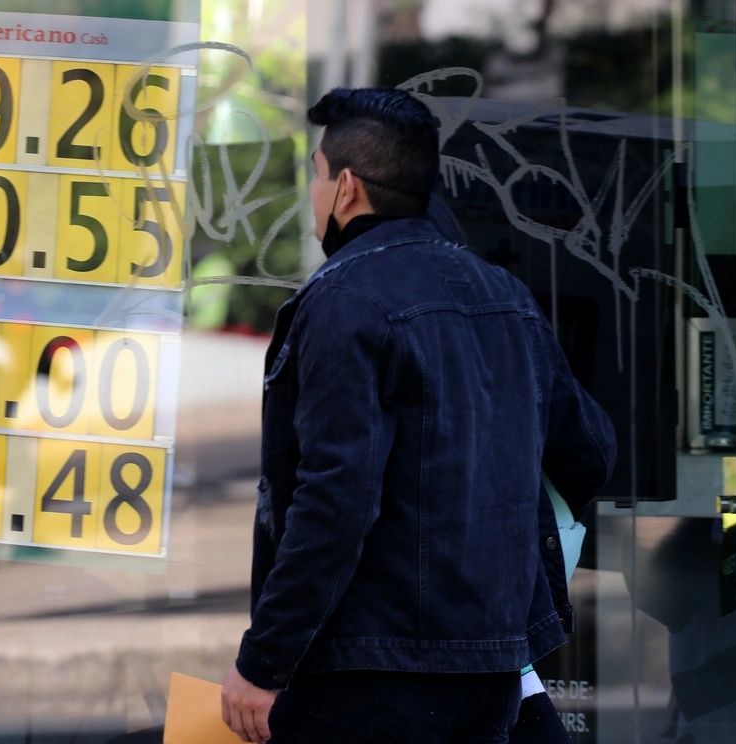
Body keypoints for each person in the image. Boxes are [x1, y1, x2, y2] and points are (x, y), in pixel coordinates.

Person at [220, 87, 616, 744]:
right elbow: (590, 454)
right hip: (491, 668)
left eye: (314, 175)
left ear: (345, 187)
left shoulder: (342, 301)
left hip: (366, 672)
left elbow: (335, 503)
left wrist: (262, 663)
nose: (312, 193)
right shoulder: (506, 298)